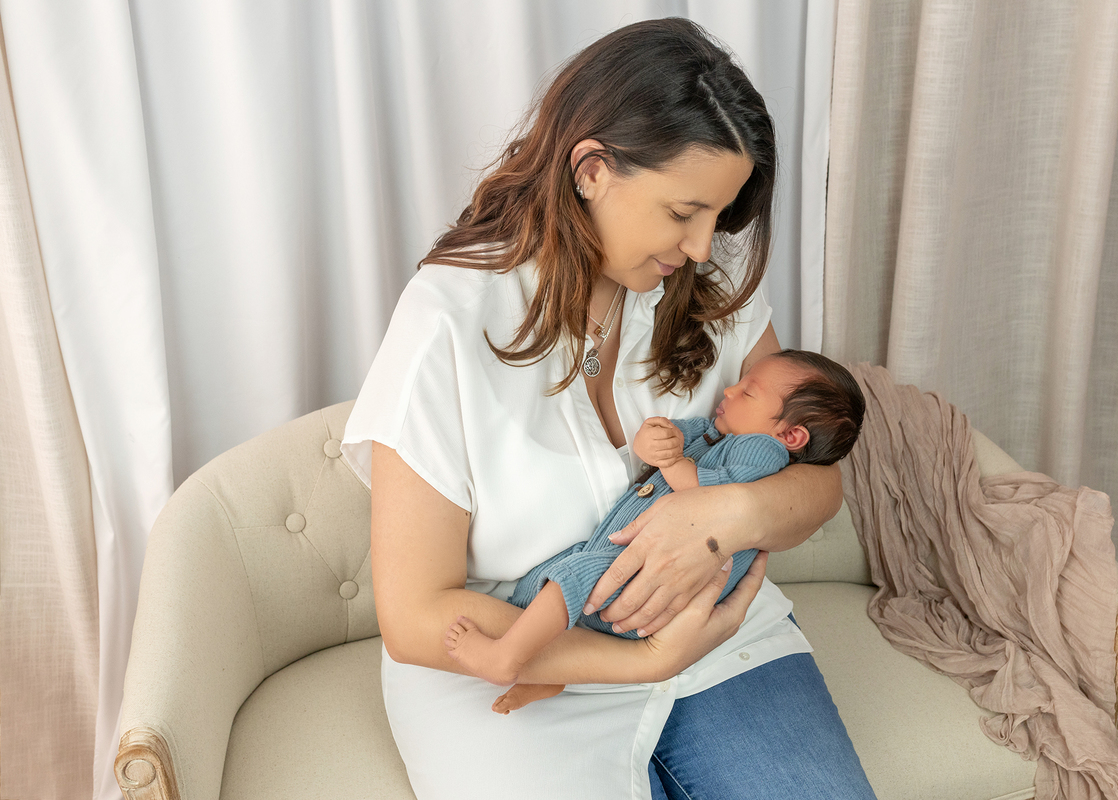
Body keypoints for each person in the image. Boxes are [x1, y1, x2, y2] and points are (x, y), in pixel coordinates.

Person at [340, 17, 878, 800]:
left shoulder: (708, 297)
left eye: (718, 216)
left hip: (714, 637)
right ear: (592, 169)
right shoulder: (447, 321)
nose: (704, 248)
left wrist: (720, 518)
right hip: (515, 660)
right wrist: (643, 661)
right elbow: (416, 616)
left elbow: (817, 483)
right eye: (682, 212)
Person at [444, 350, 866, 715]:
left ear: (790, 435)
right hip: (629, 563)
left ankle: (505, 658)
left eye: (748, 392)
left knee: (569, 577)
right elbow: (676, 434)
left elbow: (711, 499)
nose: (730, 389)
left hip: (648, 583)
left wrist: (671, 463)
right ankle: (551, 674)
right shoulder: (719, 434)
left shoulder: (762, 450)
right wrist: (655, 439)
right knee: (553, 575)